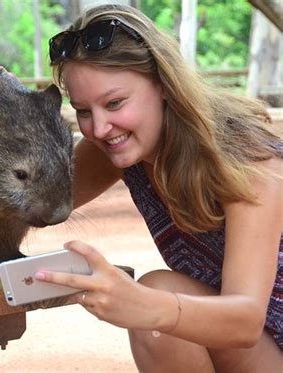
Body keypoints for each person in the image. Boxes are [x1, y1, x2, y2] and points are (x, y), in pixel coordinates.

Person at [35, 3, 282, 372]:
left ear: (164, 85)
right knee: (160, 304)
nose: (99, 128)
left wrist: (142, 305)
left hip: (258, 338)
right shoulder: (116, 147)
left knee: (159, 295)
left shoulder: (250, 161)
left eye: (115, 103)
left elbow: (246, 320)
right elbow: (25, 201)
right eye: (83, 111)